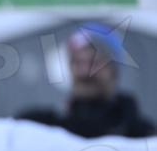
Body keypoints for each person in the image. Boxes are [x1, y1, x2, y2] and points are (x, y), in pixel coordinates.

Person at [19, 22, 155, 138]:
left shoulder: (143, 136)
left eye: (94, 63)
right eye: (77, 63)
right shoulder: (42, 129)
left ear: (114, 72)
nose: (85, 72)